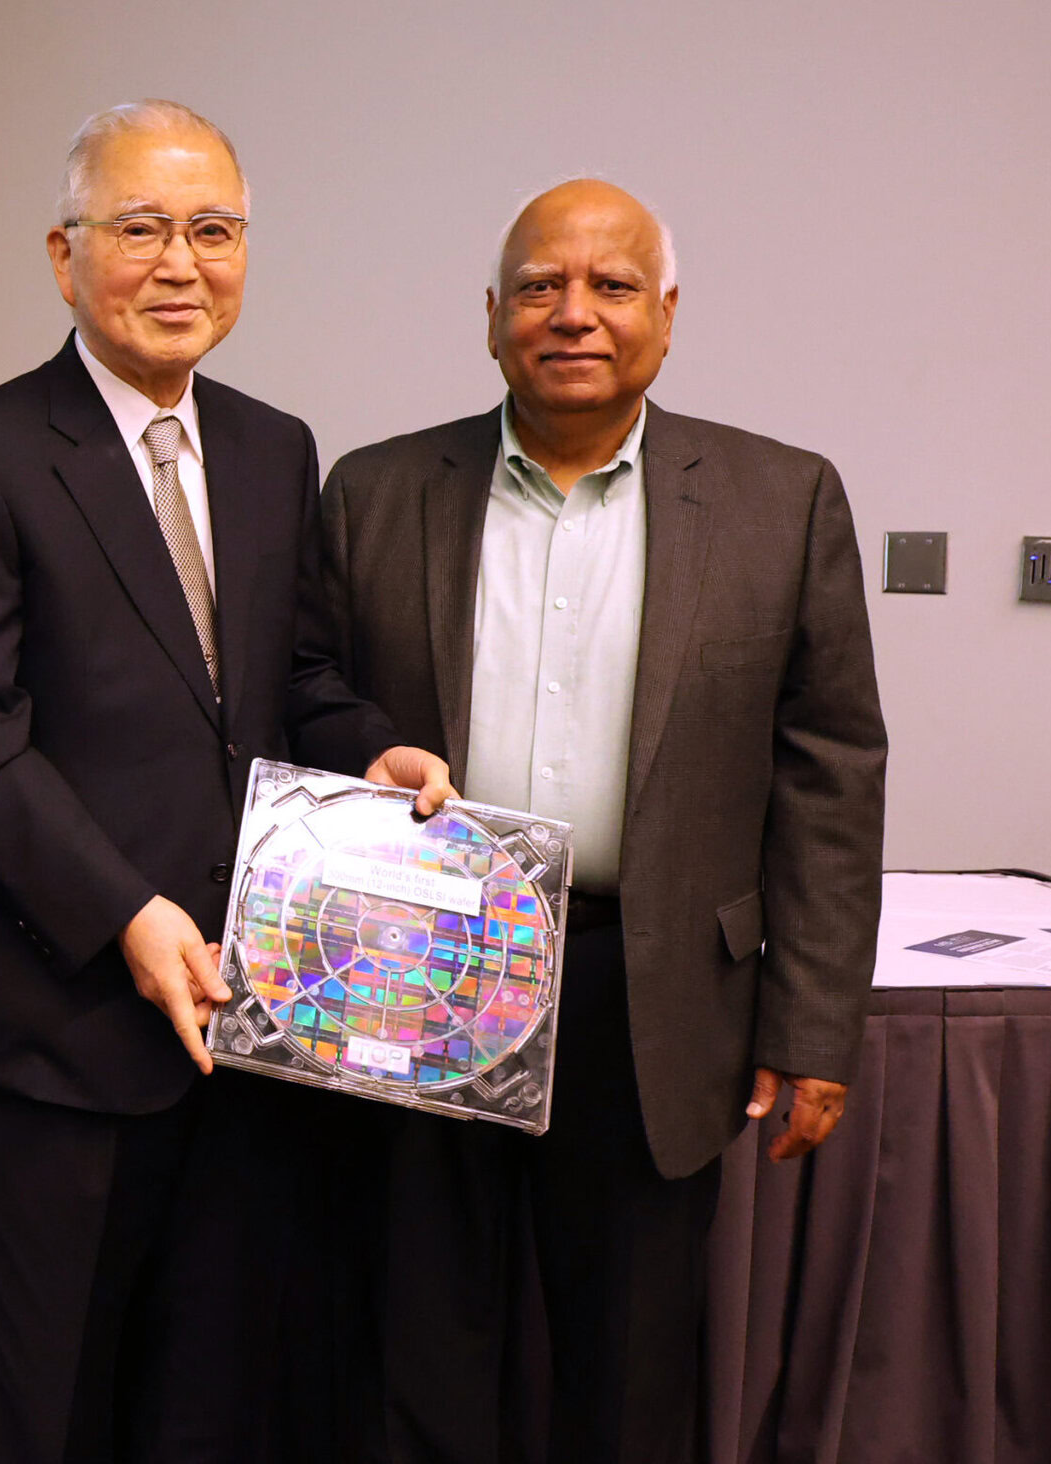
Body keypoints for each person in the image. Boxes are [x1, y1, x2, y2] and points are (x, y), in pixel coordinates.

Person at [0, 99, 455, 1463]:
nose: (180, 262)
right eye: (141, 228)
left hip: (253, 1033)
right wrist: (130, 916)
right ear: (64, 252)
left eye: (213, 230)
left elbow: (291, 681)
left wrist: (369, 746)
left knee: (210, 1407)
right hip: (61, 1031)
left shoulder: (275, 448)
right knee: (36, 1408)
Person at [320, 179, 887, 1464]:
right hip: (424, 985)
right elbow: (310, 698)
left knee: (631, 1380)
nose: (573, 314)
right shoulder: (374, 491)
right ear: (491, 317)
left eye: (612, 287)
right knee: (421, 1356)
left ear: (668, 317)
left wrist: (812, 1028)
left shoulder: (778, 500)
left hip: (655, 993)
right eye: (539, 287)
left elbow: (832, 774)